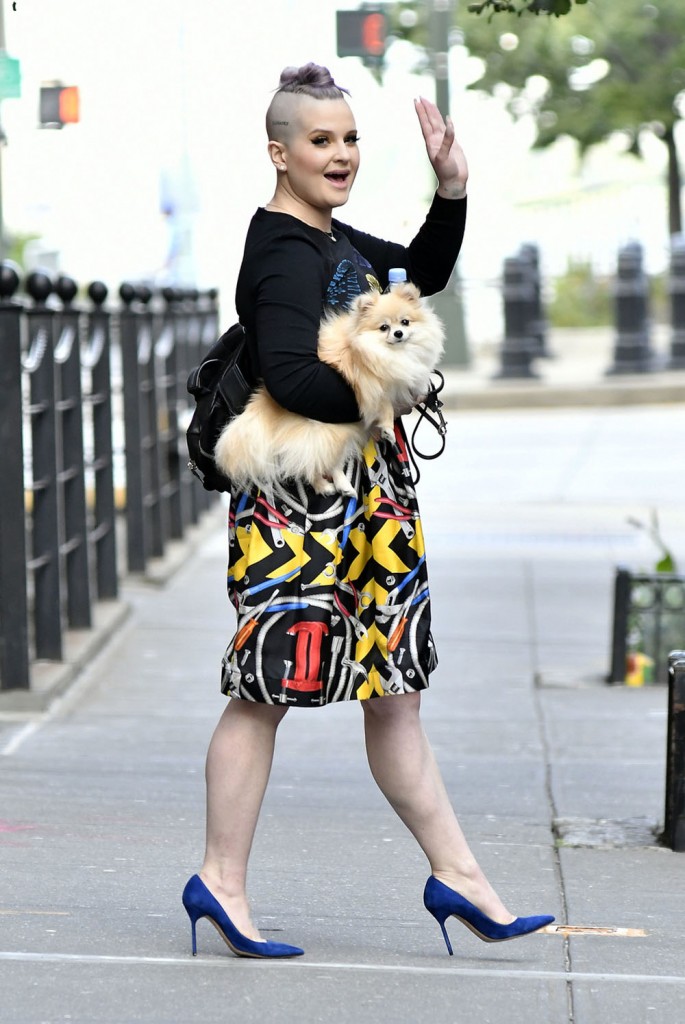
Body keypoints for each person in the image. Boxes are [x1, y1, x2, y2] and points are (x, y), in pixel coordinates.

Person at [182, 62, 554, 960]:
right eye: (321, 140)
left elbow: (414, 274)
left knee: (396, 695)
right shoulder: (278, 248)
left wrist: (451, 186)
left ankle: (459, 878)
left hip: (371, 508)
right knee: (264, 691)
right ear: (280, 152)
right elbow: (292, 376)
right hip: (300, 510)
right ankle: (220, 883)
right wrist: (385, 391)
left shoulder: (333, 239)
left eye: (349, 138)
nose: (340, 154)